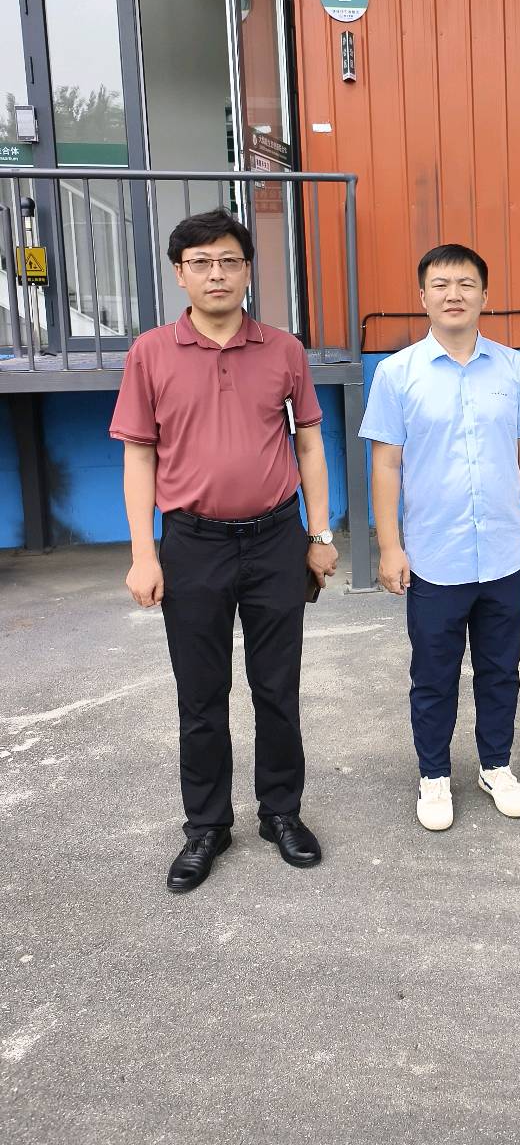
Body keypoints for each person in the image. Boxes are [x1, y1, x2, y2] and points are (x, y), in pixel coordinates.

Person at [109, 208, 338, 893]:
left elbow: (309, 445)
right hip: (193, 544)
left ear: (247, 271)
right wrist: (143, 553)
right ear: (180, 274)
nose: (217, 274)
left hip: (275, 540)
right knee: (202, 695)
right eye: (201, 262)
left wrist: (319, 535)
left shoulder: (284, 350)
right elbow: (139, 455)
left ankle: (281, 813)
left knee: (278, 688)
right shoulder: (151, 353)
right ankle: (207, 825)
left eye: (229, 261)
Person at [359, 244, 520, 831]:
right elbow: (386, 465)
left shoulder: (514, 368)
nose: (454, 295)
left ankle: (496, 765)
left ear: (484, 296)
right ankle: (434, 775)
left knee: (501, 670)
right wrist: (389, 546)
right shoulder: (397, 374)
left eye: (466, 284)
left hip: (502, 554)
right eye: (441, 285)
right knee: (434, 675)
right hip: (433, 558)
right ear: (422, 296)